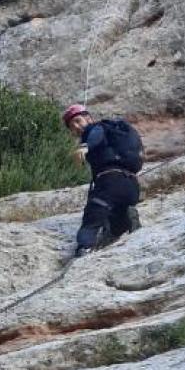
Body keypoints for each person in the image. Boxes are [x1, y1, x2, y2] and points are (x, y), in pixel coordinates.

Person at [62, 103, 144, 257]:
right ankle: (126, 215)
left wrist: (85, 146)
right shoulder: (114, 133)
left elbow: (96, 134)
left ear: (88, 118)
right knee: (114, 220)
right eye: (72, 126)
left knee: (93, 214)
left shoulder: (95, 129)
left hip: (110, 182)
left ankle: (83, 248)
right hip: (131, 186)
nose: (76, 127)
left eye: (78, 121)